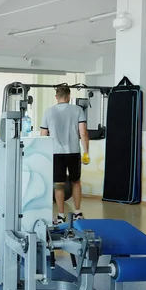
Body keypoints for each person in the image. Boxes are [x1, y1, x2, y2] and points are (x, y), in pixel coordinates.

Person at [40, 85, 90, 225]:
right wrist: (86, 152)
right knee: (75, 182)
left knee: (59, 185)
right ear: (69, 96)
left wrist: (45, 155)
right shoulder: (77, 110)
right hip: (74, 151)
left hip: (56, 153)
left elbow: (43, 135)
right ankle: (78, 212)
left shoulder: (48, 112)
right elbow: (83, 133)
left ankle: (61, 216)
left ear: (56, 97)